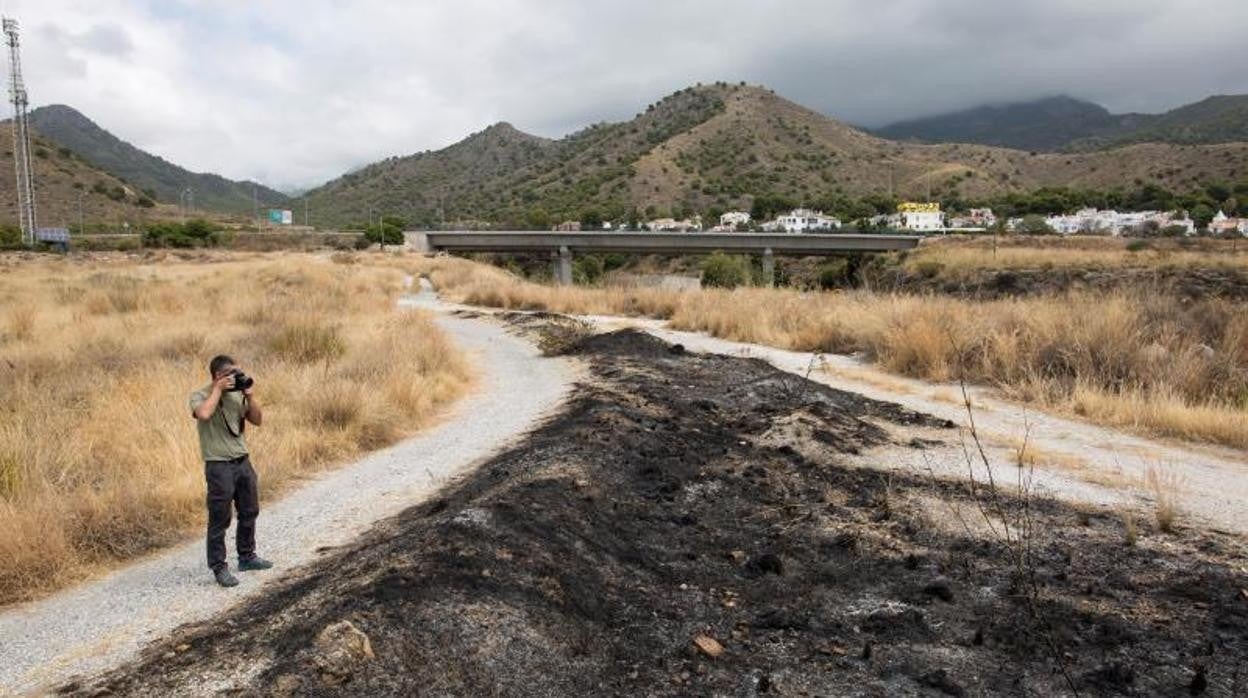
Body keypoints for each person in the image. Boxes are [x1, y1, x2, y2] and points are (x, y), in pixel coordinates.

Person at [189, 355, 272, 587]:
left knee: (249, 510)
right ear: (218, 375)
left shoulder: (237, 394)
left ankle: (247, 556)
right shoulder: (200, 395)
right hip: (218, 464)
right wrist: (217, 390)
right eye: (231, 373)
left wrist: (250, 397)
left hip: (242, 461)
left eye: (238, 372)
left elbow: (257, 420)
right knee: (220, 517)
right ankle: (219, 567)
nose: (237, 376)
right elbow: (204, 414)